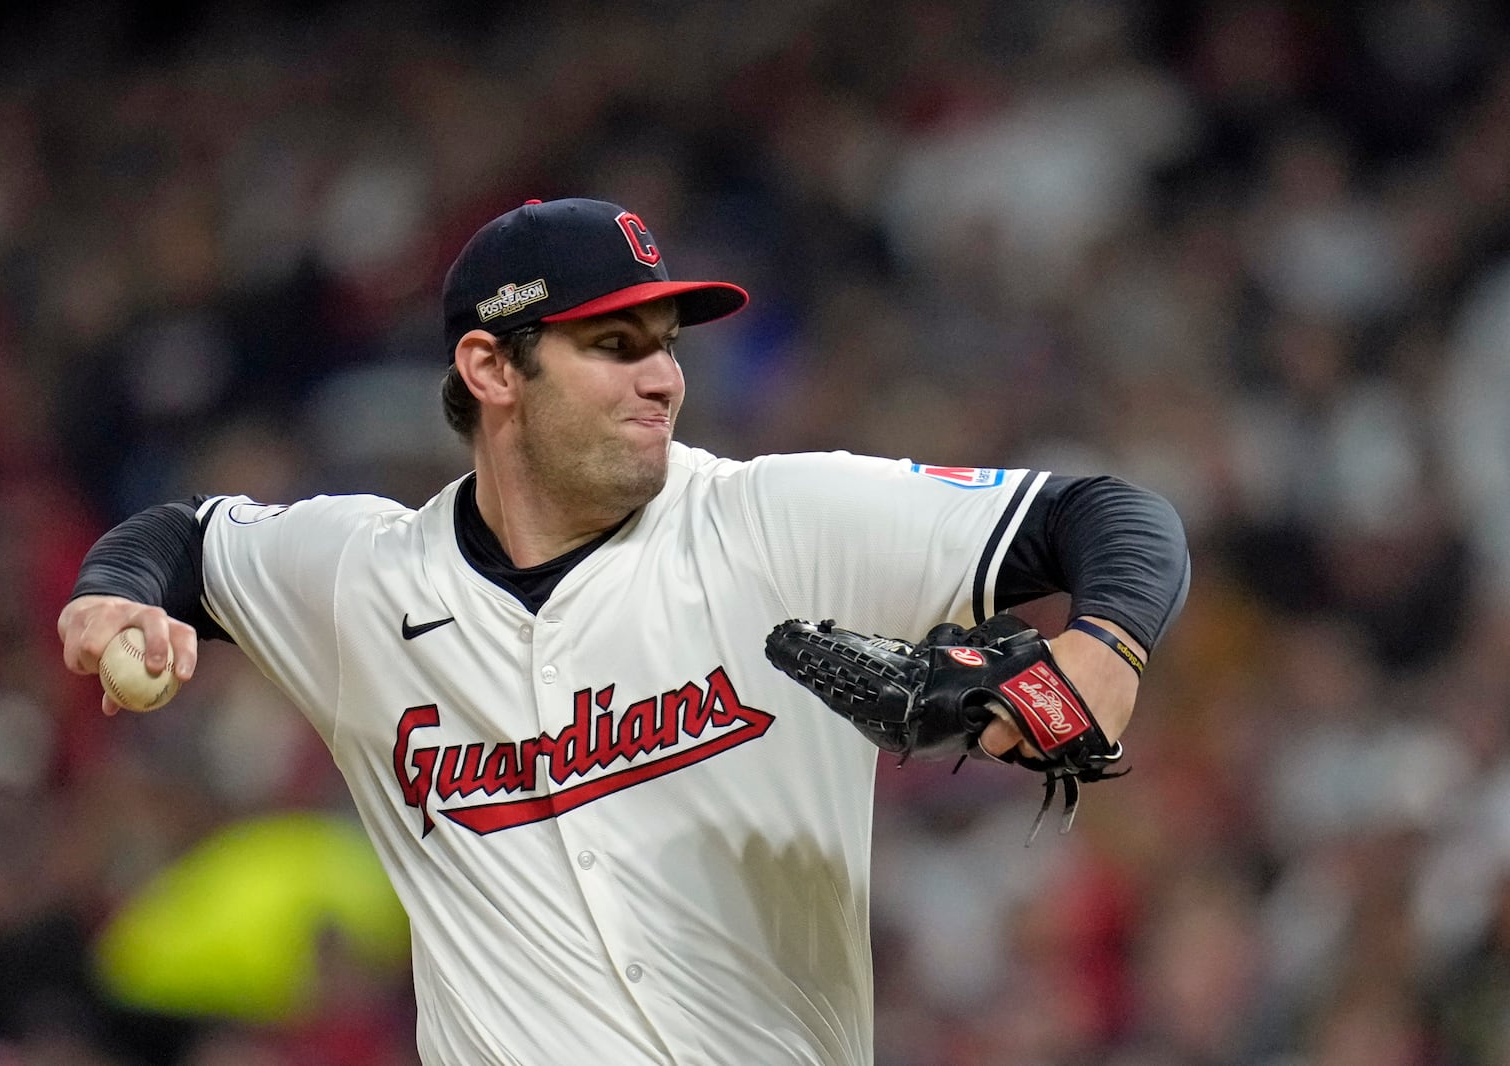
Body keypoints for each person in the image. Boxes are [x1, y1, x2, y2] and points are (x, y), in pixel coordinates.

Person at [58, 197, 1189, 1065]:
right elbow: (187, 538)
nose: (661, 378)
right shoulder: (362, 575)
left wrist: (1107, 648)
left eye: (666, 344)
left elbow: (1110, 516)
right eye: (614, 346)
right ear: (490, 366)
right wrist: (117, 592)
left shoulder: (775, 520)